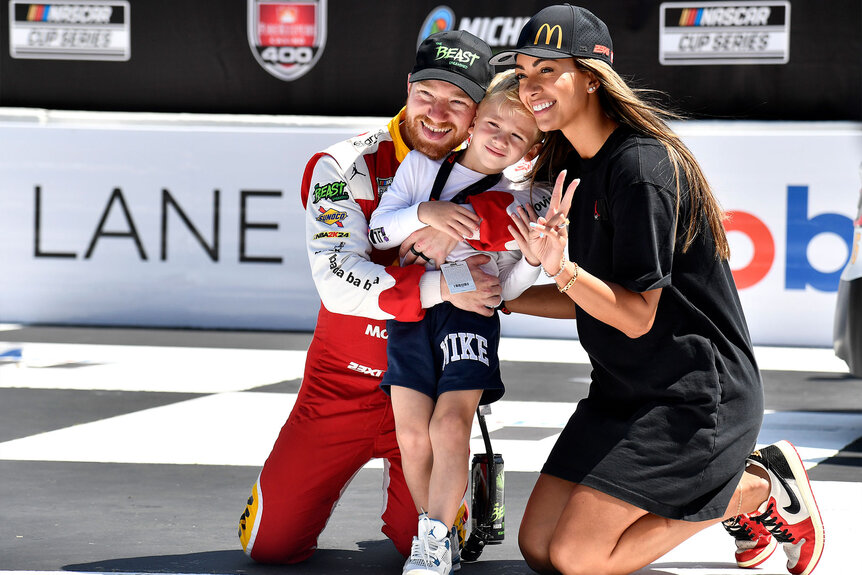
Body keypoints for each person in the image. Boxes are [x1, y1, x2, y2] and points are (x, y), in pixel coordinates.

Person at [495, 5, 825, 575]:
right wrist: (498, 297)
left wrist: (561, 268)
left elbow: (637, 316)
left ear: (592, 78)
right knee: (539, 548)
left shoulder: (642, 167)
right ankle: (723, 488)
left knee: (578, 558)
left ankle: (755, 487)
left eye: (549, 70)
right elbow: (589, 297)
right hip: (621, 390)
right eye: (524, 73)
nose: (531, 87)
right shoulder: (572, 163)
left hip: (694, 397)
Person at [237, 30, 503, 564]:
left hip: (432, 388)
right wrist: (441, 285)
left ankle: (464, 480)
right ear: (407, 87)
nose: (437, 112)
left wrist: (484, 237)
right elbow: (337, 280)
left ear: (477, 113)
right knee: (269, 547)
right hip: (341, 385)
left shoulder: (491, 169)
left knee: (427, 547)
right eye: (427, 93)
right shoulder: (341, 166)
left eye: (458, 101)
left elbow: (518, 242)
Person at [368, 69, 547, 575]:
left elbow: (504, 289)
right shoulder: (423, 170)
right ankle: (437, 529)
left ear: (530, 152)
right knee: (412, 435)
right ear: (471, 125)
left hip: (469, 317)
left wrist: (532, 260)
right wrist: (429, 213)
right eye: (493, 125)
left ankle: (434, 541)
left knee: (450, 426)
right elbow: (379, 231)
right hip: (413, 313)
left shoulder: (518, 200)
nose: (500, 140)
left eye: (517, 136)